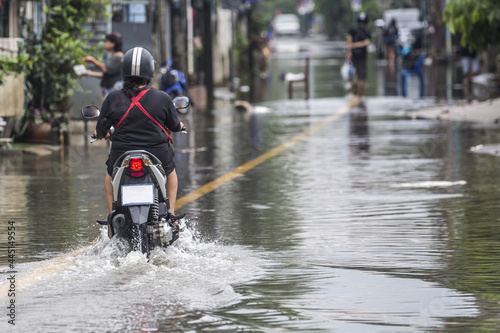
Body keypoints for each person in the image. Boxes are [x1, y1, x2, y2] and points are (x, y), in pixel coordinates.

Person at [94, 47, 185, 216]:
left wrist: (99, 134)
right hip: (157, 152)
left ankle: (112, 217)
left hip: (122, 153)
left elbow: (100, 131)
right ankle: (171, 212)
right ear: (150, 70)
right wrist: (181, 126)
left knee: (109, 177)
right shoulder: (163, 98)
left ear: (125, 71)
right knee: (171, 172)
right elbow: (174, 125)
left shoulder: (113, 98)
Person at [82, 32, 124, 98]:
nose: (105, 43)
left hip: (114, 90)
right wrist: (89, 73)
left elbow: (105, 69)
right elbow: (106, 75)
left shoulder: (118, 56)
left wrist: (93, 60)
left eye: (107, 41)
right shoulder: (114, 56)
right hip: (110, 90)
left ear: (113, 43)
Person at [346, 12, 371, 100]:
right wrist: (359, 45)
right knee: (361, 77)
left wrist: (349, 52)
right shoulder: (367, 31)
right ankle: (359, 96)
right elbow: (367, 42)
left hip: (353, 55)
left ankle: (354, 90)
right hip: (362, 57)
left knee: (351, 74)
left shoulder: (352, 29)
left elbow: (349, 41)